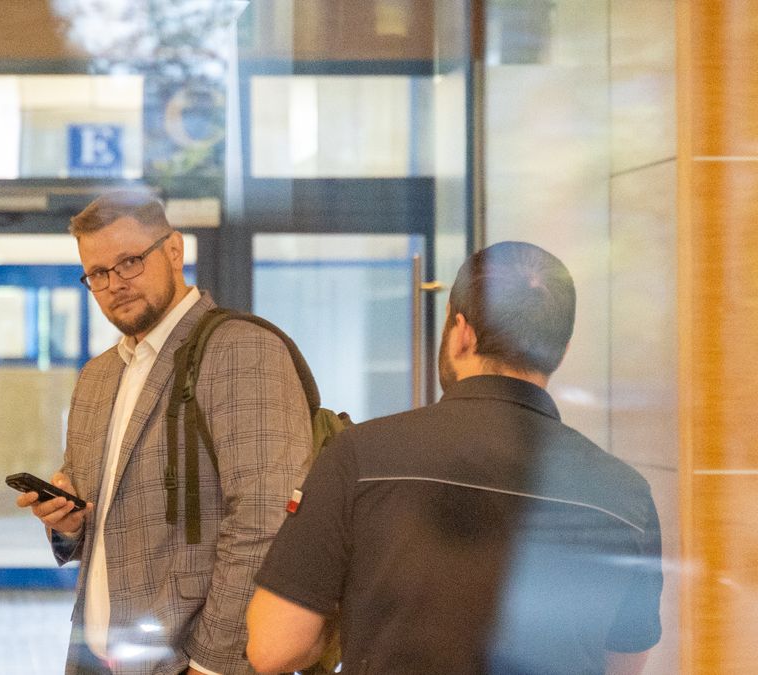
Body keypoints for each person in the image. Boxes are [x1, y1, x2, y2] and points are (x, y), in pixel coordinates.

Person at [246, 242, 663, 675]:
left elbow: (275, 647)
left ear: (462, 332)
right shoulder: (626, 496)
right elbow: (622, 663)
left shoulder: (360, 457)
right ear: (562, 349)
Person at [17, 190, 313, 675]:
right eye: (97, 273)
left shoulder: (242, 350)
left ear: (174, 250)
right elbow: (108, 523)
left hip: (190, 664)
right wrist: (67, 523)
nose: (114, 284)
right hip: (94, 658)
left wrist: (212, 666)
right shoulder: (97, 377)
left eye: (130, 261)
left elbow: (264, 520)